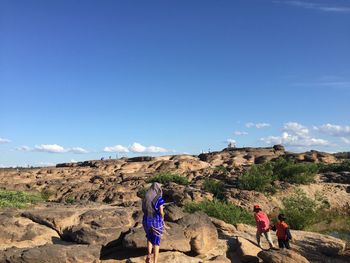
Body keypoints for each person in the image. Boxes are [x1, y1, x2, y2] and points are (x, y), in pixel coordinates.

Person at [142, 182, 165, 263]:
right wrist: (162, 218)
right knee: (156, 241)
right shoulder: (159, 198)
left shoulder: (146, 196)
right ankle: (155, 261)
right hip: (156, 221)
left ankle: (149, 254)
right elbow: (161, 212)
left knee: (149, 237)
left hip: (146, 220)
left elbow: (143, 209)